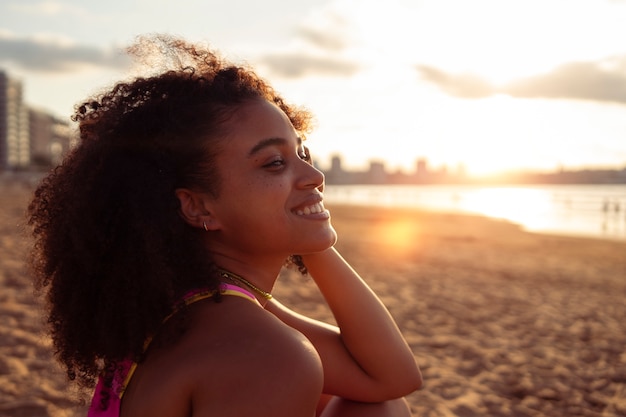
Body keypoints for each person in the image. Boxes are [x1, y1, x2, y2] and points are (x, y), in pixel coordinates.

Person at [27, 34, 422, 417]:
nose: (315, 175)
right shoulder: (262, 352)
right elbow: (389, 377)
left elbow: (388, 379)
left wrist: (310, 230)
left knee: (376, 406)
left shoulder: (203, 304)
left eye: (302, 152)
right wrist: (305, 219)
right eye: (274, 163)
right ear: (199, 208)